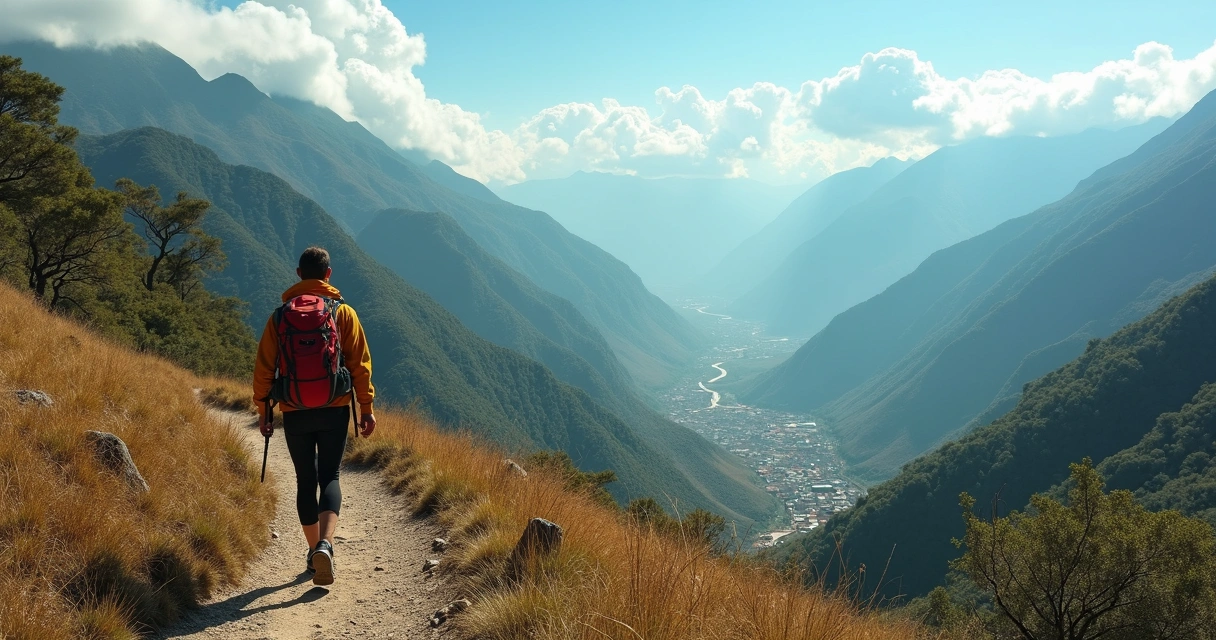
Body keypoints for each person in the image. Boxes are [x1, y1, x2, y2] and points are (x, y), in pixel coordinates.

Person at [253, 246, 376, 586]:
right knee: (330, 476)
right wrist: (366, 408)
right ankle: (326, 545)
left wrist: (264, 410)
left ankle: (313, 555)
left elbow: (264, 369)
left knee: (305, 481)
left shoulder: (279, 317)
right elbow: (360, 365)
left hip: (294, 410)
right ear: (328, 274)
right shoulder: (342, 313)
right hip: (335, 407)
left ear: (298, 274)